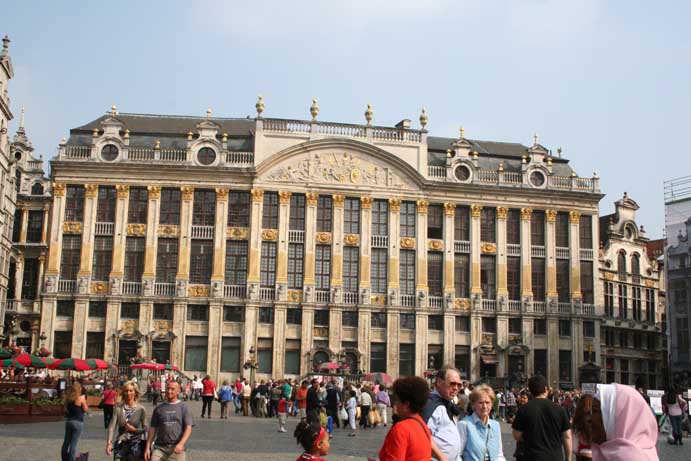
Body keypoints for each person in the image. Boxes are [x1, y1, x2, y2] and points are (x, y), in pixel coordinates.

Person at [571, 383, 659, 460]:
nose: (588, 418)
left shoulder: (629, 458)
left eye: (595, 411)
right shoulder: (605, 452)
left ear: (619, 418)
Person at [512, 375, 571, 461]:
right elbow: (567, 436)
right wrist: (568, 458)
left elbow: (516, 435)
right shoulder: (560, 409)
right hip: (554, 457)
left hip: (532, 456)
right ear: (546, 389)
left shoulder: (524, 409)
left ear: (530, 390)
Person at [376, 376, 432, 461]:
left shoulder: (401, 429)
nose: (395, 404)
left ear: (406, 405)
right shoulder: (422, 424)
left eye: (397, 400)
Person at [421, 365, 463, 461]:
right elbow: (423, 436)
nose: (456, 388)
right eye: (452, 384)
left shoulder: (447, 404)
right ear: (439, 382)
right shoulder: (430, 404)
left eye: (459, 385)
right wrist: (441, 457)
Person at [145, 381, 193, 461]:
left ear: (178, 391)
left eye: (172, 389)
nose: (169, 391)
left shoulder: (184, 407)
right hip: (159, 448)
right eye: (168, 388)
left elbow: (188, 428)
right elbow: (152, 428)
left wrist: (181, 444)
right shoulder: (158, 408)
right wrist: (147, 447)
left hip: (176, 448)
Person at [457, 384, 507, 461]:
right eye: (480, 403)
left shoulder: (495, 425)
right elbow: (457, 455)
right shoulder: (464, 424)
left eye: (487, 402)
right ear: (473, 405)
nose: (484, 406)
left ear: (492, 404)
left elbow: (499, 455)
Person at [106, 381, 147, 461]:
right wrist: (109, 443)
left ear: (135, 393)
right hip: (121, 443)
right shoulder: (118, 408)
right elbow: (112, 427)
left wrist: (135, 430)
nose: (128, 393)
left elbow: (146, 429)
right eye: (126, 391)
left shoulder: (141, 409)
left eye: (131, 391)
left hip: (135, 445)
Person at [61, 381, 89, 461]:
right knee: (73, 444)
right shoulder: (80, 398)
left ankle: (64, 459)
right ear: (79, 389)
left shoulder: (68, 399)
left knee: (66, 442)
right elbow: (86, 409)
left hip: (69, 421)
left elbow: (65, 410)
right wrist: (84, 400)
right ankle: (72, 459)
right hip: (78, 422)